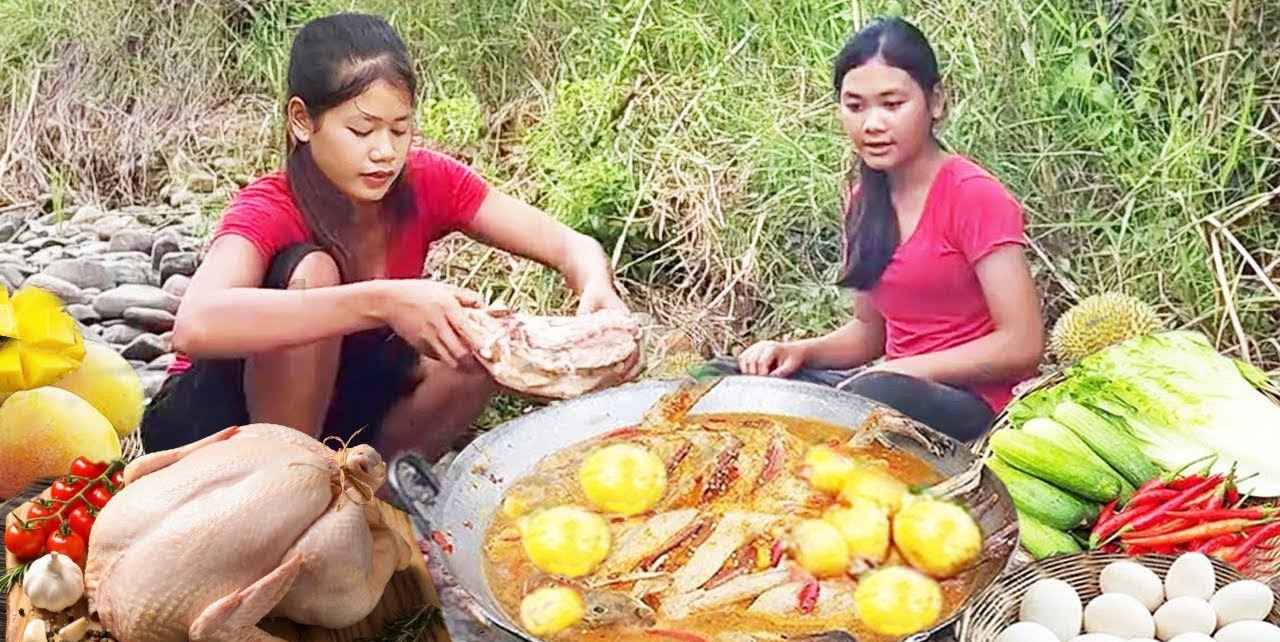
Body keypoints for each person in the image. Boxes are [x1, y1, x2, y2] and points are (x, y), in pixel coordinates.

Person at [140, 12, 633, 463]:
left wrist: (597, 288)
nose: (384, 152)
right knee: (313, 272)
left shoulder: (425, 181)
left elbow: (571, 246)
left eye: (399, 130)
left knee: (475, 342)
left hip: (343, 412)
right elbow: (196, 323)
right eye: (361, 130)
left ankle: (374, 500)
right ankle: (292, 493)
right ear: (302, 121)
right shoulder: (271, 205)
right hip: (217, 425)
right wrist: (385, 302)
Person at [707, 16, 1044, 442]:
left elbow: (1022, 344)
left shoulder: (974, 195)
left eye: (892, 104)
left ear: (935, 101)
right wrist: (796, 351)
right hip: (884, 387)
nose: (872, 124)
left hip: (970, 403)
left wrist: (902, 369)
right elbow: (870, 334)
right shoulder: (863, 201)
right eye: (855, 106)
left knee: (869, 395)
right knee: (723, 380)